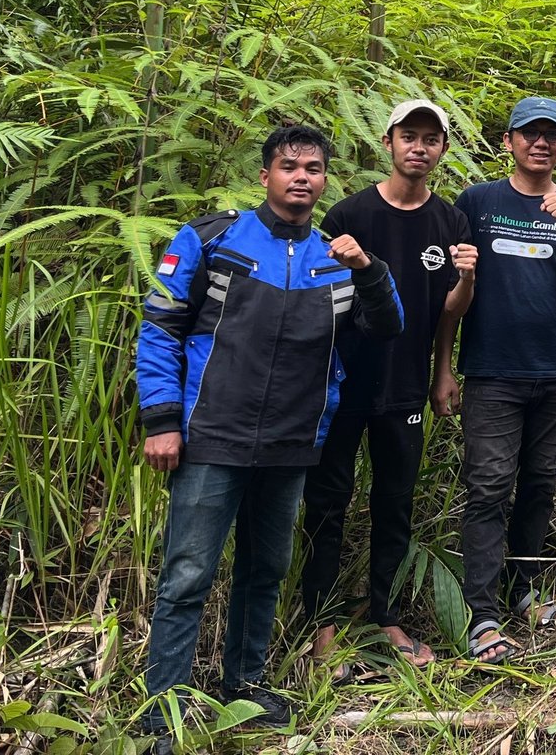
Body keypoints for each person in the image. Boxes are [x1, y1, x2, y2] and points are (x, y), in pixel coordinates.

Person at [135, 124, 403, 745]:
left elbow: (388, 326)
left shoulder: (335, 259)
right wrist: (162, 420)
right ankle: (163, 709)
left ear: (325, 180)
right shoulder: (212, 238)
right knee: (187, 575)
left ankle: (245, 685)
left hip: (291, 441)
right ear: (265, 176)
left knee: (266, 571)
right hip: (212, 436)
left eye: (313, 168)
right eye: (289, 166)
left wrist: (368, 268)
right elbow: (161, 327)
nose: (301, 177)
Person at [431, 97, 556, 665]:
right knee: (488, 488)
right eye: (529, 133)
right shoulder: (478, 202)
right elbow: (451, 294)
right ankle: (482, 613)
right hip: (492, 373)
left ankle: (525, 589)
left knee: (539, 484)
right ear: (509, 141)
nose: (541, 143)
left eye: (551, 135)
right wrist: (443, 368)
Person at [300, 99, 477, 673]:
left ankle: (386, 615)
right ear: (388, 141)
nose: (418, 147)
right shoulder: (349, 214)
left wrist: (443, 368)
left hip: (405, 384)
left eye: (430, 139)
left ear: (442, 149)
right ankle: (321, 621)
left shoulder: (448, 221)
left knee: (394, 502)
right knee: (327, 501)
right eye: (409, 136)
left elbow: (449, 310)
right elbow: (316, 300)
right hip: (342, 383)